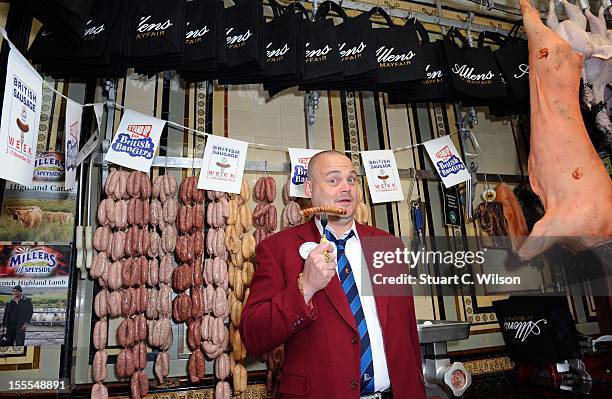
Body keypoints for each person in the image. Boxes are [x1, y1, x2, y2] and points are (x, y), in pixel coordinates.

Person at [240, 151, 425, 399]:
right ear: (309, 189)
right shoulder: (278, 249)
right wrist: (305, 287)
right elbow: (254, 337)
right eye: (333, 180)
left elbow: (407, 332)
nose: (346, 188)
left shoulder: (388, 245)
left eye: (352, 179)